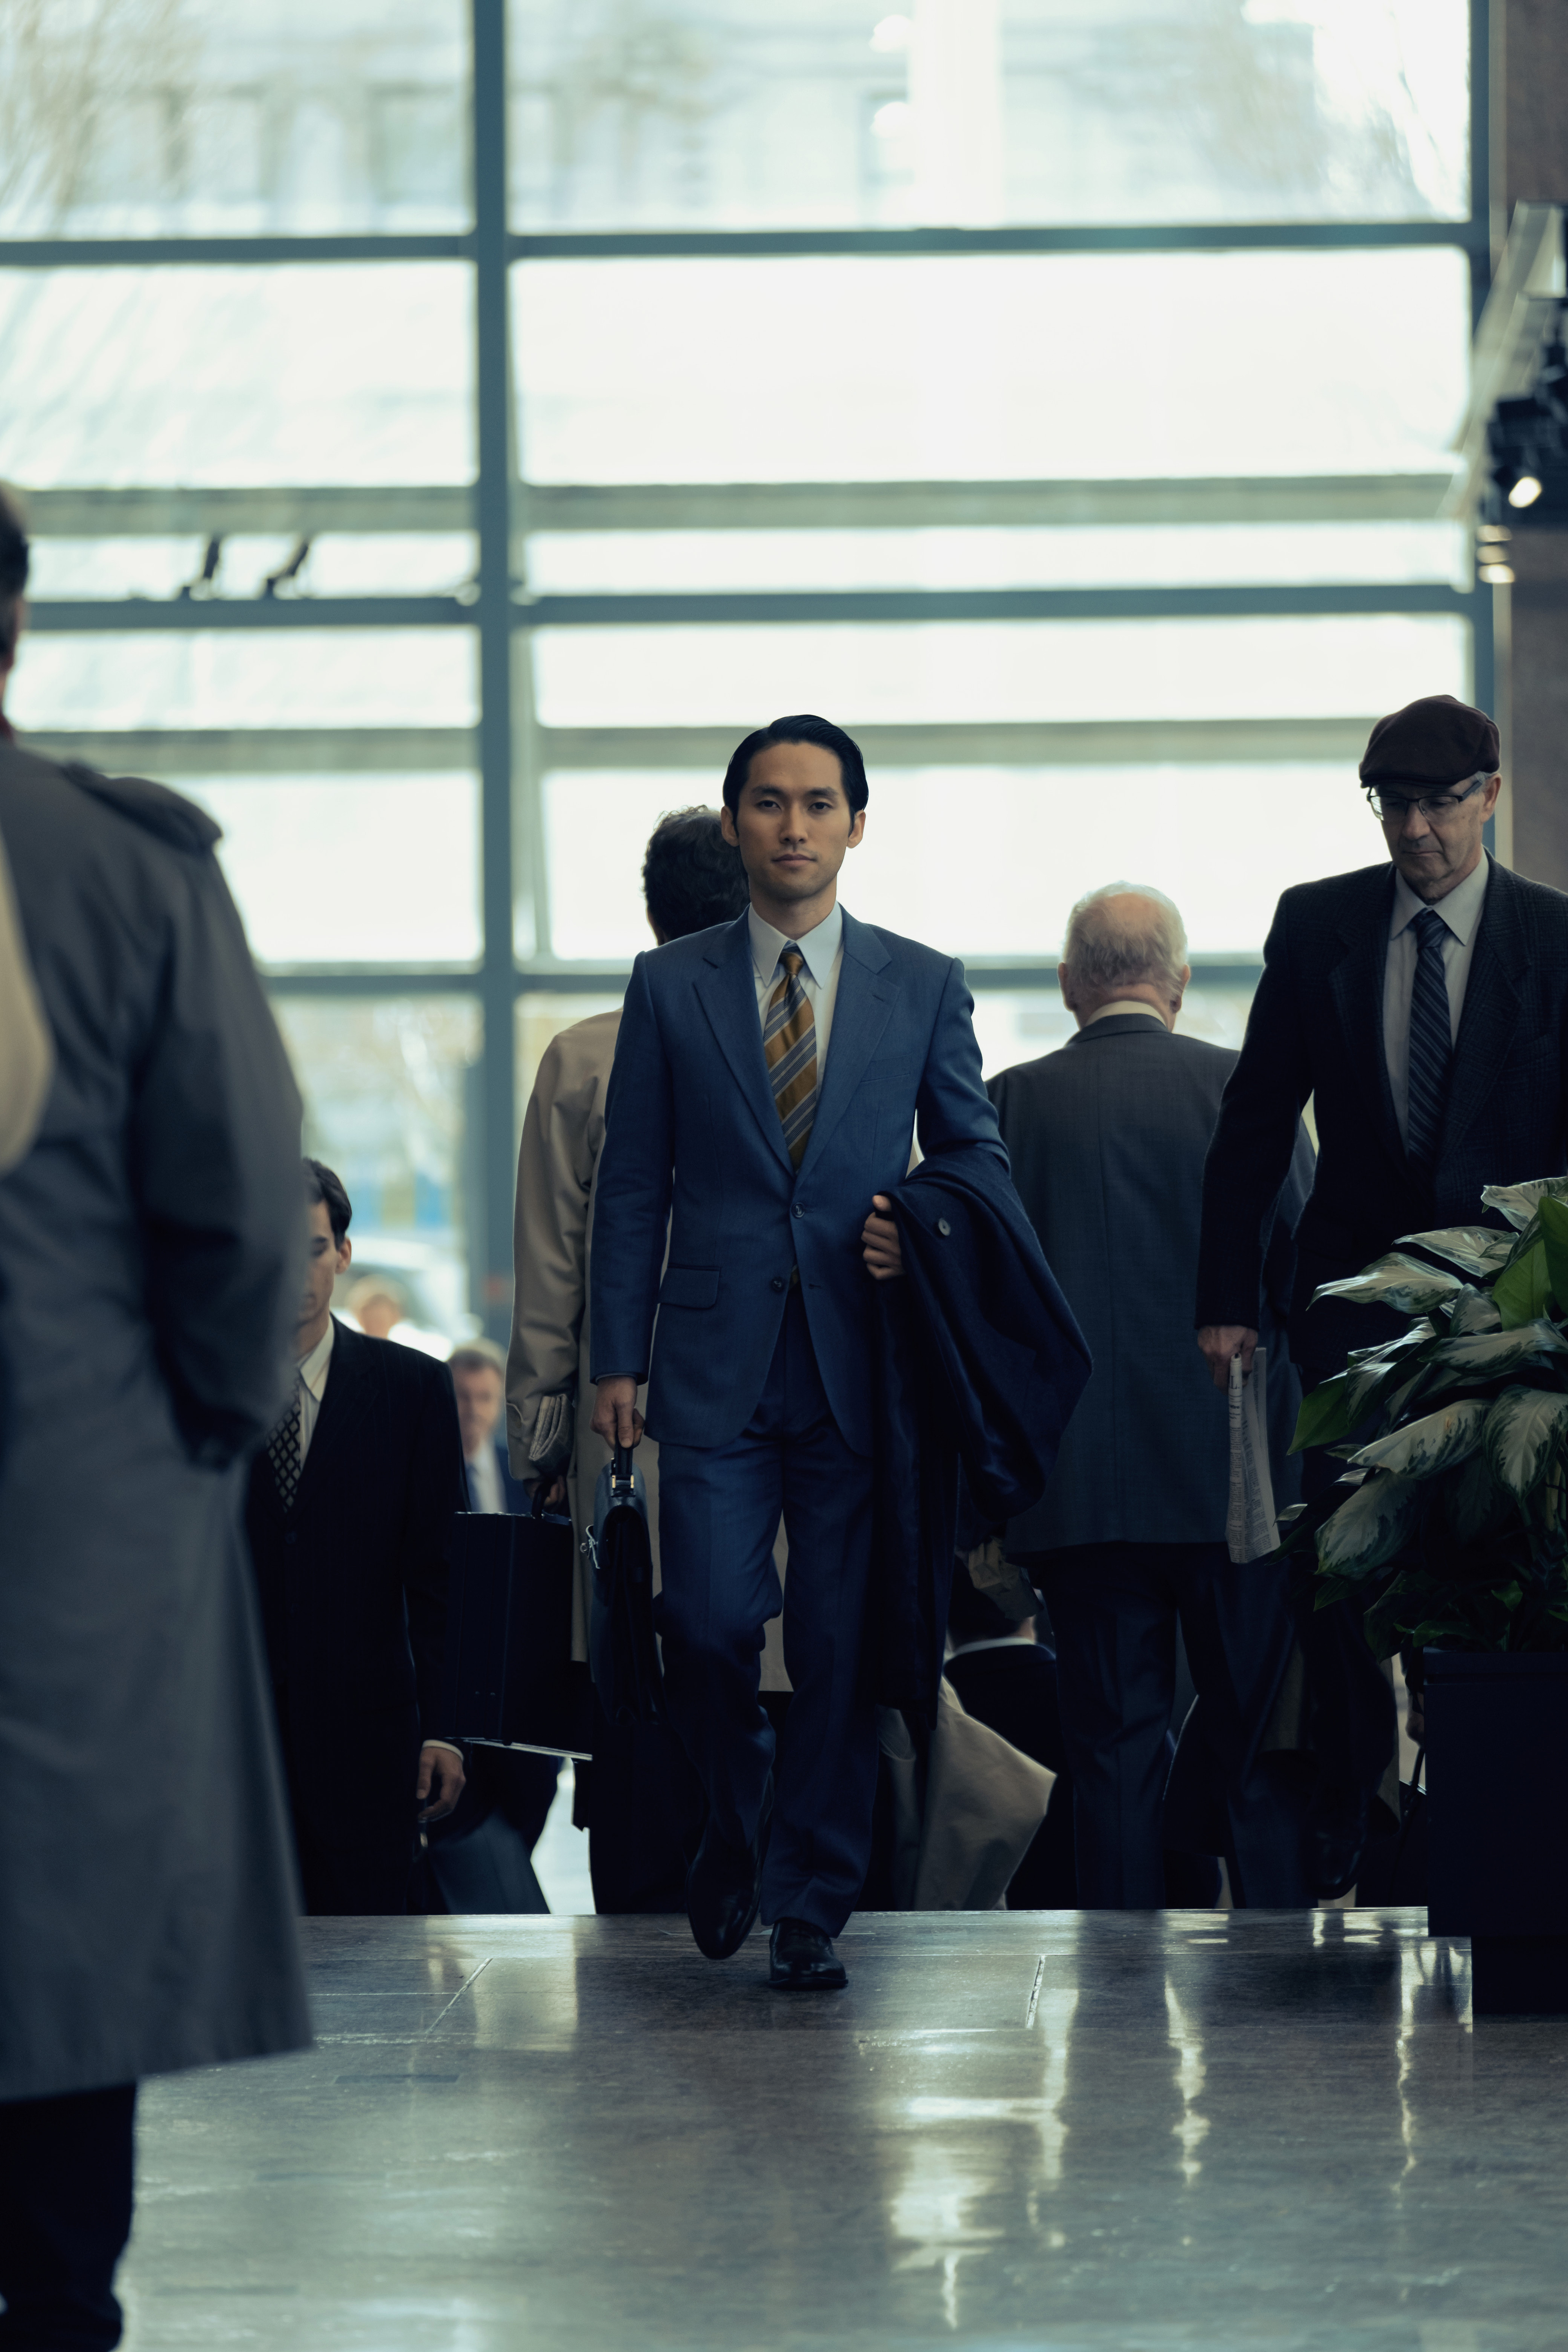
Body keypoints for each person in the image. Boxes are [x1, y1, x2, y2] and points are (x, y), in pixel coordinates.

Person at [0, 477, 310, 2350]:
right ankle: (54, 2302)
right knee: (55, 1907)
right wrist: (188, 1428)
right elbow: (234, 1194)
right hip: (70, 1479)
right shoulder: (122, 864)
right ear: (16, 622)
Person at [589, 714, 1009, 1991]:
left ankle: (811, 1898)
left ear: (856, 825)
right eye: (768, 803)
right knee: (707, 1625)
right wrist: (615, 1357)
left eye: (818, 804)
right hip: (709, 1360)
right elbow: (631, 1188)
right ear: (735, 824)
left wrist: (916, 1233)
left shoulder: (923, 983)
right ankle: (733, 1809)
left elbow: (977, 1160)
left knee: (837, 1645)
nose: (793, 826)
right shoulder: (671, 985)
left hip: (854, 1359)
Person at [1195, 692, 1568, 1884]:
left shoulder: (1550, 939)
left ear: (1489, 796)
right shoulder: (1319, 926)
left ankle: (1476, 1809)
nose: (1414, 831)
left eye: (1439, 804)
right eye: (1393, 806)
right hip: (1352, 1309)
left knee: (1486, 1567)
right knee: (1343, 1568)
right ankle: (1359, 1808)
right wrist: (1226, 1297)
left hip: (1503, 1319)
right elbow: (1254, 1121)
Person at [991, 884, 1314, 1905]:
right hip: (1236, 1482)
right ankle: (1274, 1955)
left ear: (1068, 985)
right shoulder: (1244, 1093)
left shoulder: (1008, 1107)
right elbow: (1307, 1278)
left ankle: (1124, 1982)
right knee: (1261, 1732)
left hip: (1078, 1494)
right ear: (1176, 981)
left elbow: (985, 1308)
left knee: (1111, 1751)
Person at [506, 805, 751, 1915]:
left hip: (626, 1452)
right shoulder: (806, 1047)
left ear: (650, 916)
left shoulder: (583, 1058)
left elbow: (550, 1277)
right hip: (773, 1448)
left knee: (636, 1709)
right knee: (770, 1696)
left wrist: (538, 1450)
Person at [245, 1160, 468, 1915]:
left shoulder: (413, 1392)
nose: (297, 1270)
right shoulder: (204, 1389)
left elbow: (440, 1579)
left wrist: (446, 1731)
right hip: (236, 1756)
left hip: (370, 1754)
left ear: (342, 1252)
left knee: (382, 1993)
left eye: (313, 1248)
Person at [450, 1338, 530, 1514]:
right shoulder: (421, 1471)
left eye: (485, 1397)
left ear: (501, 1402)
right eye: (463, 1396)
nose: (474, 1409)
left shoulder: (522, 1471)